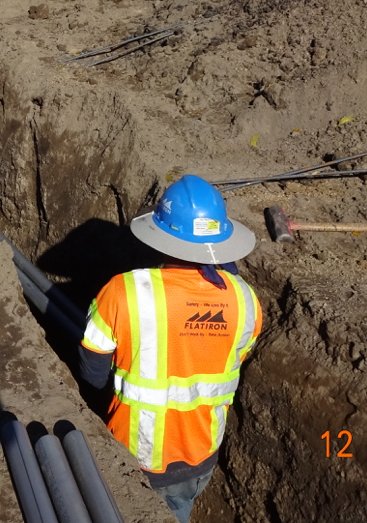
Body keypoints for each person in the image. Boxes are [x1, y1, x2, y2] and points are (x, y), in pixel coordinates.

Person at [79, 175, 262, 523]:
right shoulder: (247, 301)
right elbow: (231, 356)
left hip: (137, 458)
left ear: (162, 236)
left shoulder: (124, 292)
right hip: (202, 455)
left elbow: (92, 371)